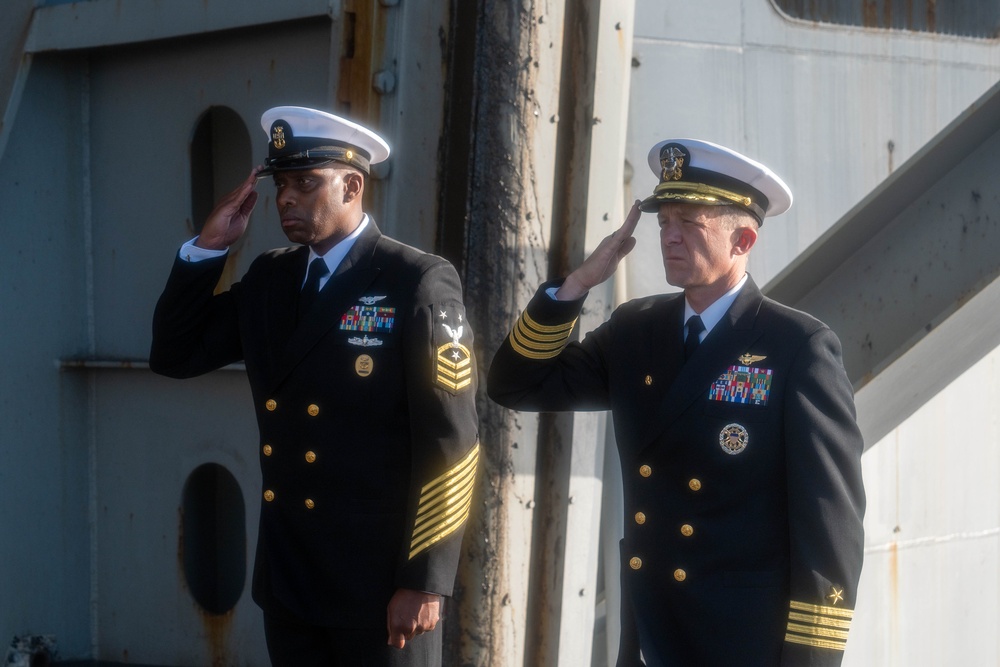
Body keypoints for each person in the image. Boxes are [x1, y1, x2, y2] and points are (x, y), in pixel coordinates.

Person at [488, 139, 865, 666]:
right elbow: (515, 385)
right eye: (664, 222)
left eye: (690, 223)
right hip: (650, 638)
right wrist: (576, 286)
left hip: (743, 645)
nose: (669, 237)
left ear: (744, 239)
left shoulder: (796, 346)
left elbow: (830, 531)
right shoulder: (636, 329)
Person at [151, 106, 480, 666]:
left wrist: (426, 580)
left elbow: (451, 444)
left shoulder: (414, 280)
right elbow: (175, 354)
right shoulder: (271, 279)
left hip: (380, 589)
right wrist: (206, 251)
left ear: (352, 185)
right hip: (290, 580)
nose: (286, 199)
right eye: (281, 185)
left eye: (306, 183)